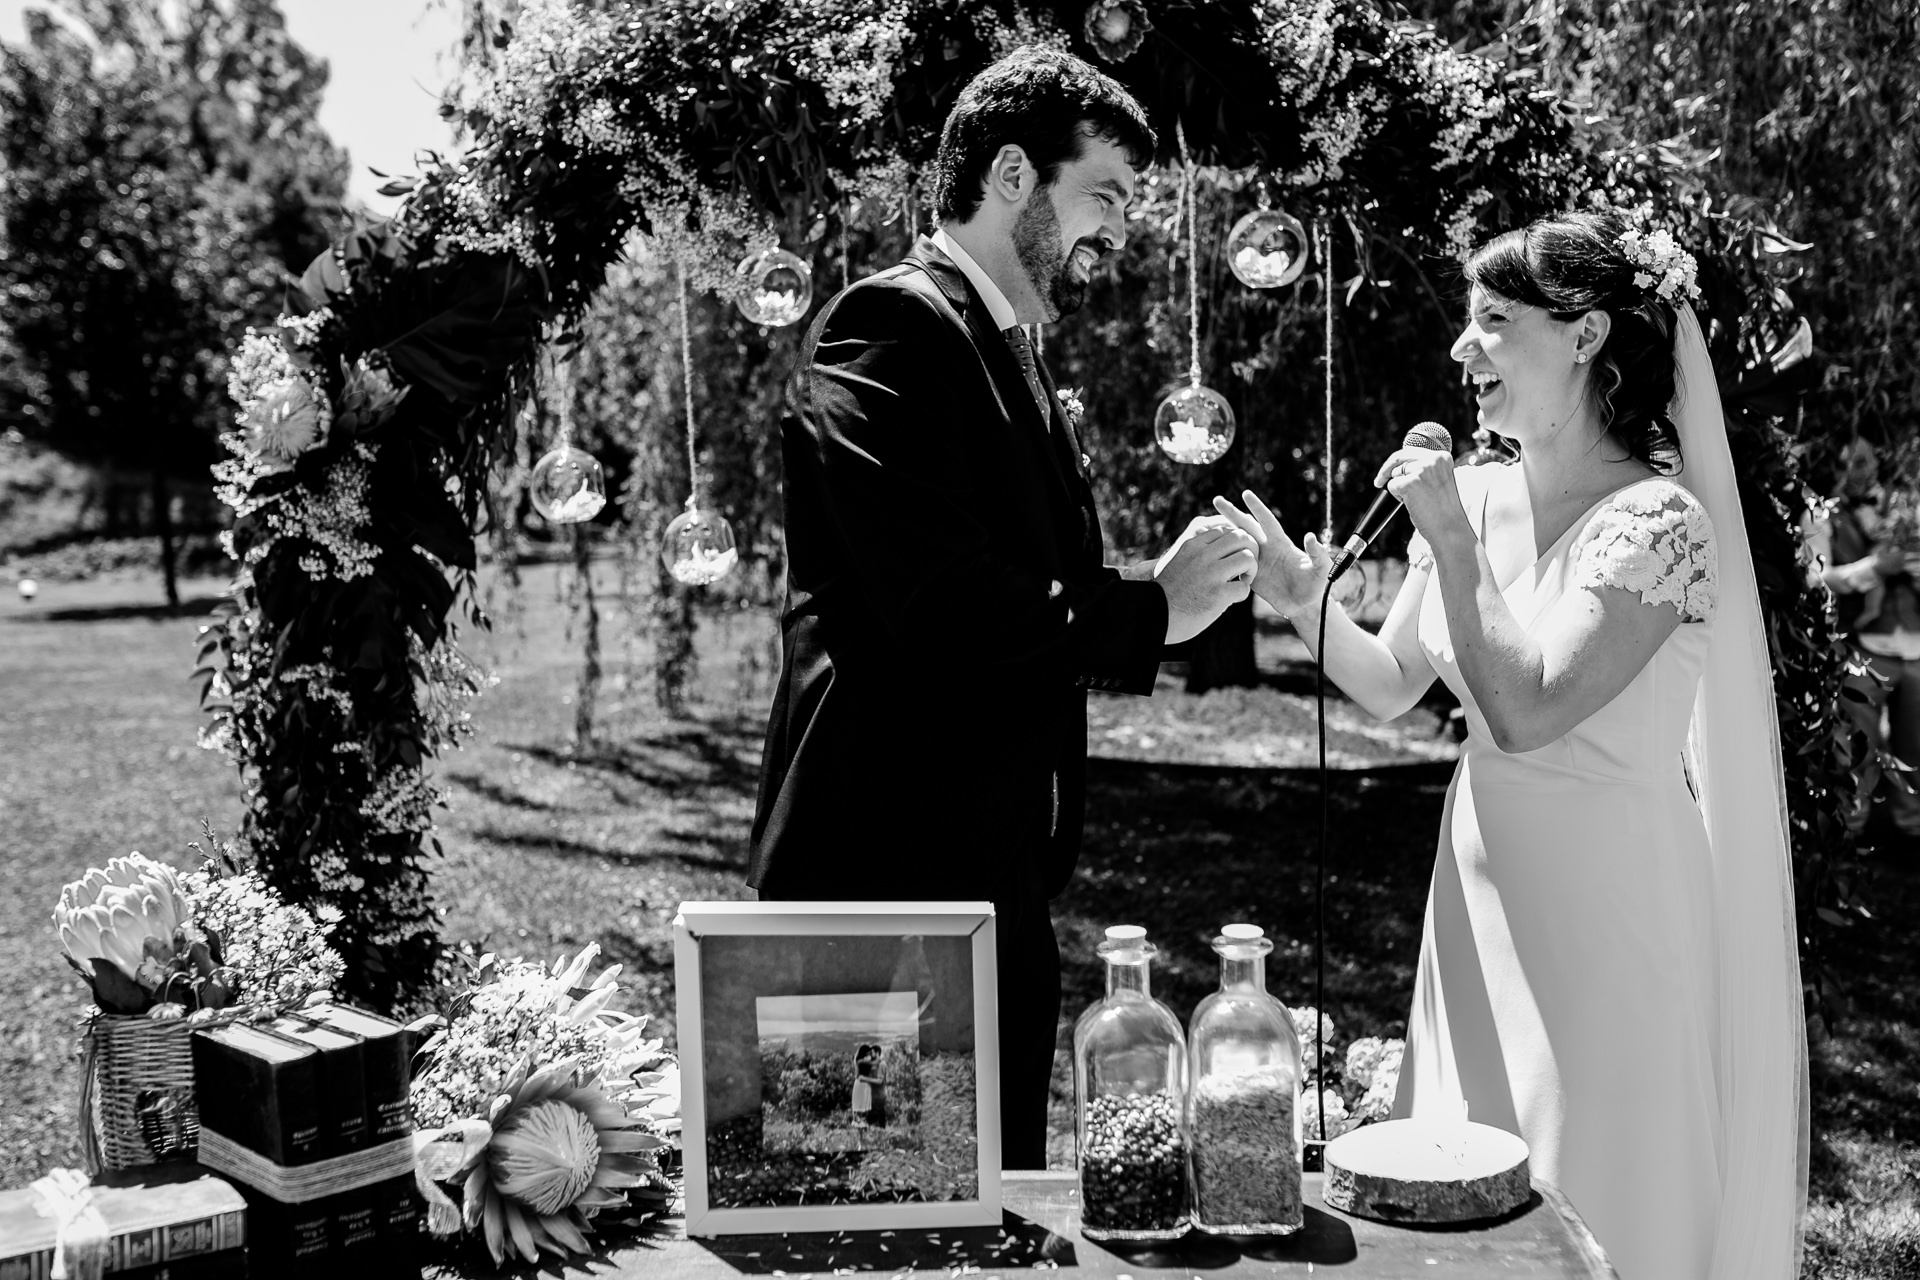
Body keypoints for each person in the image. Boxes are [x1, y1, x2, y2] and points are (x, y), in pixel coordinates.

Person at [1215, 210, 1807, 1280]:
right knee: (1462, 1194)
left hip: (1610, 912)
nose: (1461, 347)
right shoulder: (1476, 495)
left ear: (1583, 336)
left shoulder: (1659, 524)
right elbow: (1394, 686)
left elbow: (1529, 708)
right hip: (1475, 906)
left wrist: (1445, 532)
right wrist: (1308, 607)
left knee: (1599, 1185)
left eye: (1493, 321)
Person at [748, 47, 1257, 1169]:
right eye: (1107, 196)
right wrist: (1148, 611)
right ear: (1016, 175)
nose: (1120, 234)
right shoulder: (886, 327)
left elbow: (1016, 576)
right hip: (878, 887)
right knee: (859, 1208)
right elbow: (944, 599)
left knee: (989, 1205)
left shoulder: (1003, 348)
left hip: (989, 878)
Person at [1806, 436, 1920, 837]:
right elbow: (1816, 579)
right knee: (1857, 746)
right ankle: (1851, 831)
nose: (1852, 472)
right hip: (1863, 649)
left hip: (1917, 649)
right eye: (1843, 464)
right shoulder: (1822, 515)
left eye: (1859, 461)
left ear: (1876, 462)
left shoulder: (1907, 504)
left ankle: (1912, 828)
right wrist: (1874, 568)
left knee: (1917, 747)